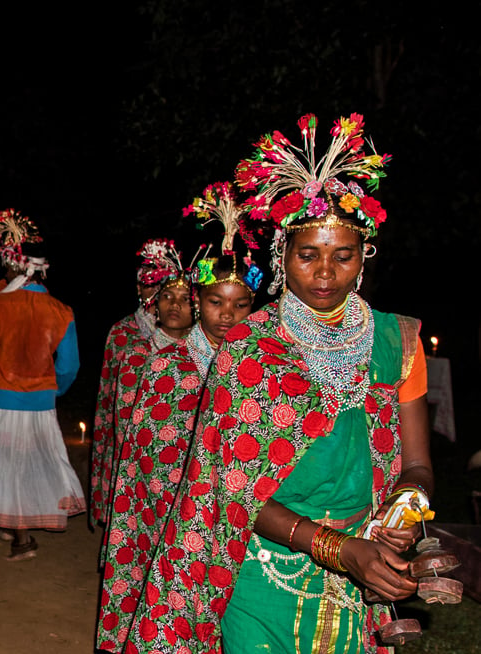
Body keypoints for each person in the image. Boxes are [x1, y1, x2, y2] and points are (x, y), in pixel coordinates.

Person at [131, 114, 430, 653]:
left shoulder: (397, 341)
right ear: (281, 257)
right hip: (260, 573)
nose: (324, 273)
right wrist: (334, 548)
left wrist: (406, 507)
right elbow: (229, 488)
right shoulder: (249, 344)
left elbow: (417, 464)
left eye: (343, 256)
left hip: (363, 573)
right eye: (307, 255)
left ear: (364, 259)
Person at [96, 183, 261, 651]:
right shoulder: (168, 367)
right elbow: (144, 455)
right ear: (197, 302)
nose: (227, 315)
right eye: (214, 302)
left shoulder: (266, 368)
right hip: (169, 517)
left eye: (240, 304)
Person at [0, 210, 84, 561]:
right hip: (41, 400)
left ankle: (22, 538)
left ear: (17, 266)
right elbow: (69, 366)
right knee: (33, 461)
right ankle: (15, 524)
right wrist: (53, 392)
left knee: (6, 464)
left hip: (0, 397)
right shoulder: (60, 310)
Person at [89, 241, 168, 524]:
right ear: (138, 288)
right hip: (125, 440)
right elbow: (106, 398)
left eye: (164, 285)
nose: (156, 293)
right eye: (149, 285)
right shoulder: (122, 333)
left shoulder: (190, 334)